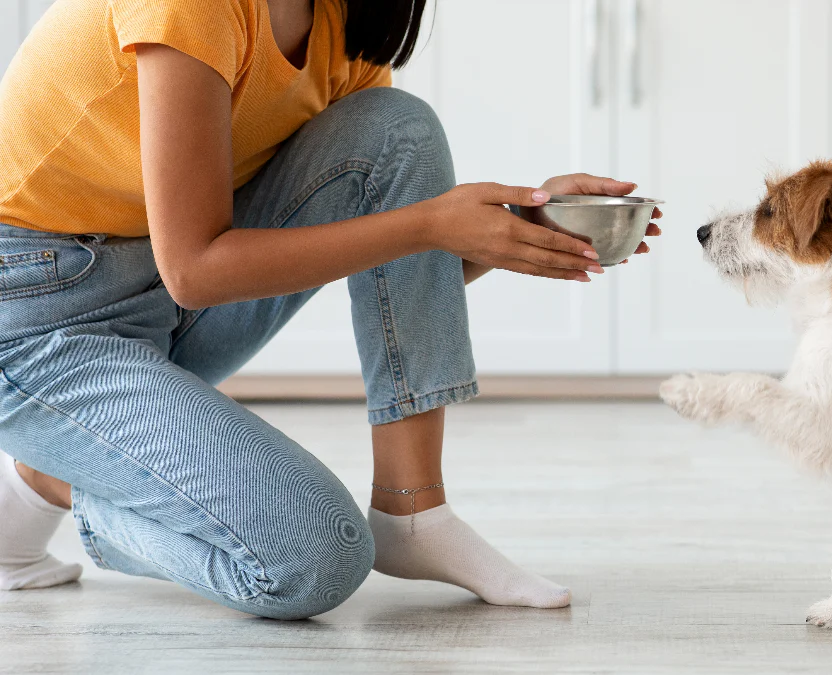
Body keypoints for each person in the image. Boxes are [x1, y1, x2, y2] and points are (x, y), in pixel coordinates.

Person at [0, 0, 660, 619]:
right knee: (316, 557)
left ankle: (413, 512)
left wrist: (514, 229)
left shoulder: (338, 20)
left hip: (156, 284)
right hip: (34, 312)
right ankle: (56, 476)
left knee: (398, 129)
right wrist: (430, 224)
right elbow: (196, 270)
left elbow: (397, 273)